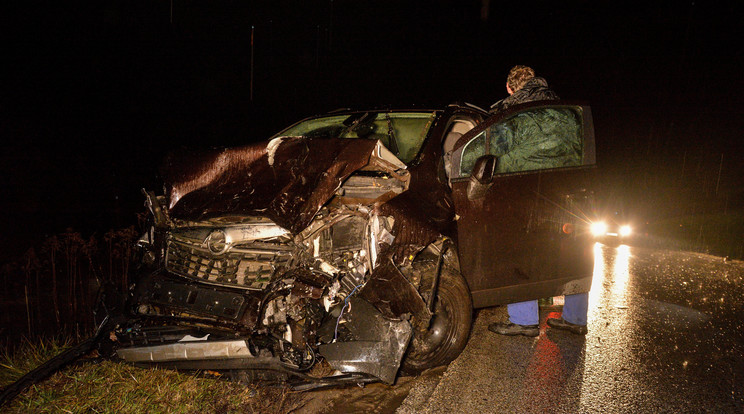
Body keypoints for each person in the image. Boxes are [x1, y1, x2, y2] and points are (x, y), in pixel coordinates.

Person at [486, 65, 589, 337]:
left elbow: (495, 155)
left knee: (520, 251)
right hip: (568, 191)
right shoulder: (567, 111)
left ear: (509, 87)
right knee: (572, 252)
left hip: (525, 190)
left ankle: (524, 321)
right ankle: (576, 319)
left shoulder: (511, 112)